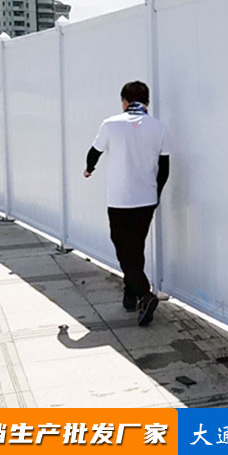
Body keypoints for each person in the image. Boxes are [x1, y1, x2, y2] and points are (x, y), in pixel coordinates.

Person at [84, 81, 170, 327]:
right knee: (135, 247)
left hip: (120, 200)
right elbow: (164, 168)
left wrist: (89, 169)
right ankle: (130, 296)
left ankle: (144, 294)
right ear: (147, 102)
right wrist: (156, 195)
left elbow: (94, 152)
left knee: (123, 249)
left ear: (124, 101)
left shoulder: (110, 124)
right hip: (147, 200)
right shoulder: (159, 127)